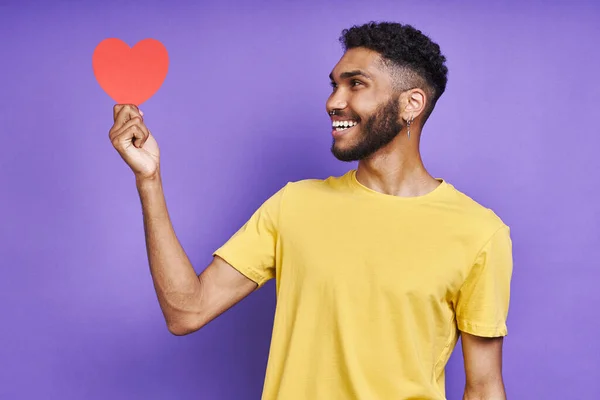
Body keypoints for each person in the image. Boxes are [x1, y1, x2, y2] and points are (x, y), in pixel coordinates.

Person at [109, 21, 512, 400]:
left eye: (356, 84)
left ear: (411, 104)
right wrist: (149, 179)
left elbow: (483, 388)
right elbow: (186, 312)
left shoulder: (478, 232)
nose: (333, 101)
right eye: (335, 85)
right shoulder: (294, 205)